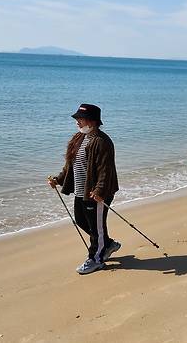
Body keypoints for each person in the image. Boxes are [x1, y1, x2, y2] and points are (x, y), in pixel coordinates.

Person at [47, 104, 120, 275]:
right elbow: (70, 165)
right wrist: (58, 179)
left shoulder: (102, 141)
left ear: (93, 121)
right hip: (82, 191)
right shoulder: (78, 139)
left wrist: (100, 191)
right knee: (81, 221)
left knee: (96, 228)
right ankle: (107, 244)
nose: (77, 122)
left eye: (80, 119)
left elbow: (105, 169)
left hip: (97, 194)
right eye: (77, 119)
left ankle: (96, 259)